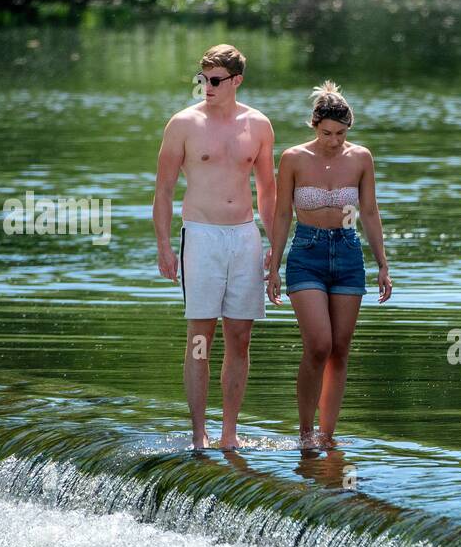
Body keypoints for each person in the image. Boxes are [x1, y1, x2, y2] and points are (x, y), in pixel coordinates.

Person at [153, 44, 276, 449]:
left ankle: (229, 433)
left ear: (236, 81)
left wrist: (275, 243)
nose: (207, 86)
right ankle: (198, 434)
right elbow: (164, 190)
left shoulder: (258, 125)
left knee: (240, 336)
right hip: (200, 235)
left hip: (244, 235)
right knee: (200, 337)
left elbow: (268, 191)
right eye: (203, 78)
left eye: (216, 80)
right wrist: (164, 246)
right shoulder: (183, 124)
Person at [266, 81, 392, 449]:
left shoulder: (361, 158)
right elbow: (282, 214)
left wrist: (383, 265)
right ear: (314, 125)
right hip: (306, 252)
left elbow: (369, 212)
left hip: (348, 253)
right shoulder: (293, 158)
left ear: (348, 128)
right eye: (326, 133)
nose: (333, 140)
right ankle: (305, 434)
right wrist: (273, 265)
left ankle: (327, 437)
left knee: (340, 348)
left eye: (340, 133)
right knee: (319, 344)